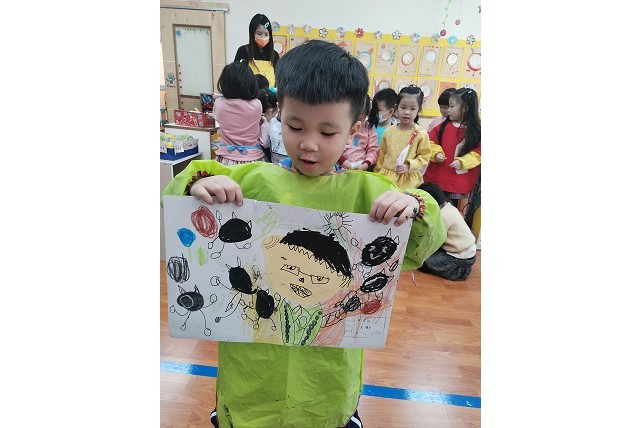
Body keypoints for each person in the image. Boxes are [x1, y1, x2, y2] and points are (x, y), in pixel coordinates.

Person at [161, 40, 446, 428]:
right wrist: (199, 185)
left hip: (326, 380)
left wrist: (413, 206)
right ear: (279, 116)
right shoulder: (250, 181)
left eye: (328, 132)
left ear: (354, 130)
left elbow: (419, 247)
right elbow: (176, 202)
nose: (309, 144)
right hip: (252, 379)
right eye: (295, 127)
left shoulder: (369, 194)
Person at [423, 87, 481, 209]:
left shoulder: (476, 131)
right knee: (431, 207)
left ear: (465, 108)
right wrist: (436, 154)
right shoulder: (442, 126)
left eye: (452, 106)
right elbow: (429, 142)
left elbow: (479, 153)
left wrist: (463, 162)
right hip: (437, 178)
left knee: (450, 210)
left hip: (457, 182)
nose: (448, 110)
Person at [373, 85, 432, 189]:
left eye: (412, 108)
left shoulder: (421, 134)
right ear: (396, 108)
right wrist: (376, 174)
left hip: (408, 181)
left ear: (419, 109)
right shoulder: (389, 131)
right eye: (403, 107)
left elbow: (425, 156)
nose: (407, 112)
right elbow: (381, 155)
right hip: (386, 179)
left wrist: (410, 165)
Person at [212, 61, 269, 165]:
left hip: (226, 158)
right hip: (253, 158)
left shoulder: (219, 104)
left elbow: (222, 100)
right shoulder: (256, 105)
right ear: (250, 83)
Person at [417, 182, 476, 280]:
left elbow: (433, 241)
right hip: (468, 255)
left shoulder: (442, 216)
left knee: (420, 261)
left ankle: (454, 272)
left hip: (459, 262)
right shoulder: (449, 206)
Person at [234, 13, 280, 88]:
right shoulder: (243, 51)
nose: (263, 37)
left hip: (269, 94)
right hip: (248, 94)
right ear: (252, 33)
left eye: (266, 34)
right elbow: (235, 77)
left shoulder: (274, 55)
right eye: (259, 34)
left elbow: (279, 79)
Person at [337, 95, 379, 171]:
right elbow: (334, 145)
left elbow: (373, 151)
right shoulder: (342, 125)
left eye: (360, 119)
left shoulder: (369, 129)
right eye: (353, 118)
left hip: (360, 168)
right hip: (339, 167)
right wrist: (342, 160)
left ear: (366, 115)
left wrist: (366, 164)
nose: (356, 123)